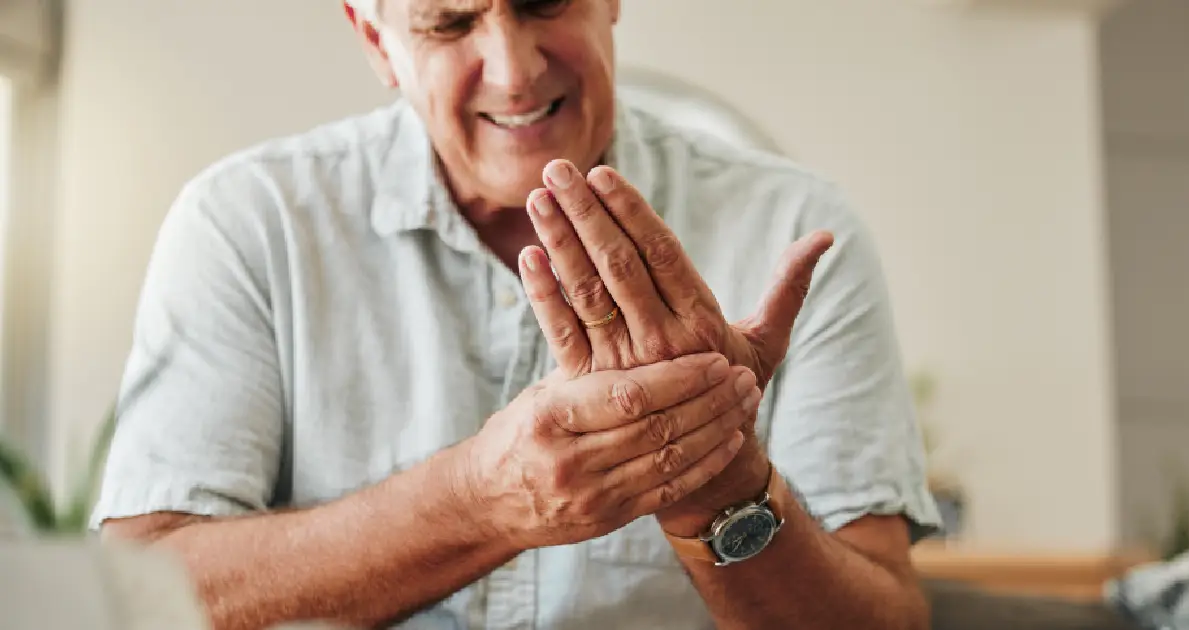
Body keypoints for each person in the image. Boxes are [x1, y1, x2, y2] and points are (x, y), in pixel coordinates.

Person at [92, 1, 943, 628]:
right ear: (374, 37)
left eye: (544, 2)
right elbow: (142, 596)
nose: (514, 69)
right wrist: (478, 501)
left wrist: (721, 488)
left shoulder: (791, 229)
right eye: (449, 22)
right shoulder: (250, 222)